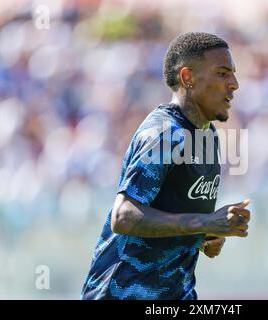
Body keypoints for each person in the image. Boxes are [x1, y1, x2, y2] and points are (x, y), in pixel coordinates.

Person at [81, 32, 251, 300]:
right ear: (188, 78)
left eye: (233, 73)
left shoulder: (207, 135)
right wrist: (205, 221)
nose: (234, 84)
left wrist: (206, 234)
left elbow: (171, 213)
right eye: (222, 73)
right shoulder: (164, 132)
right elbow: (124, 216)